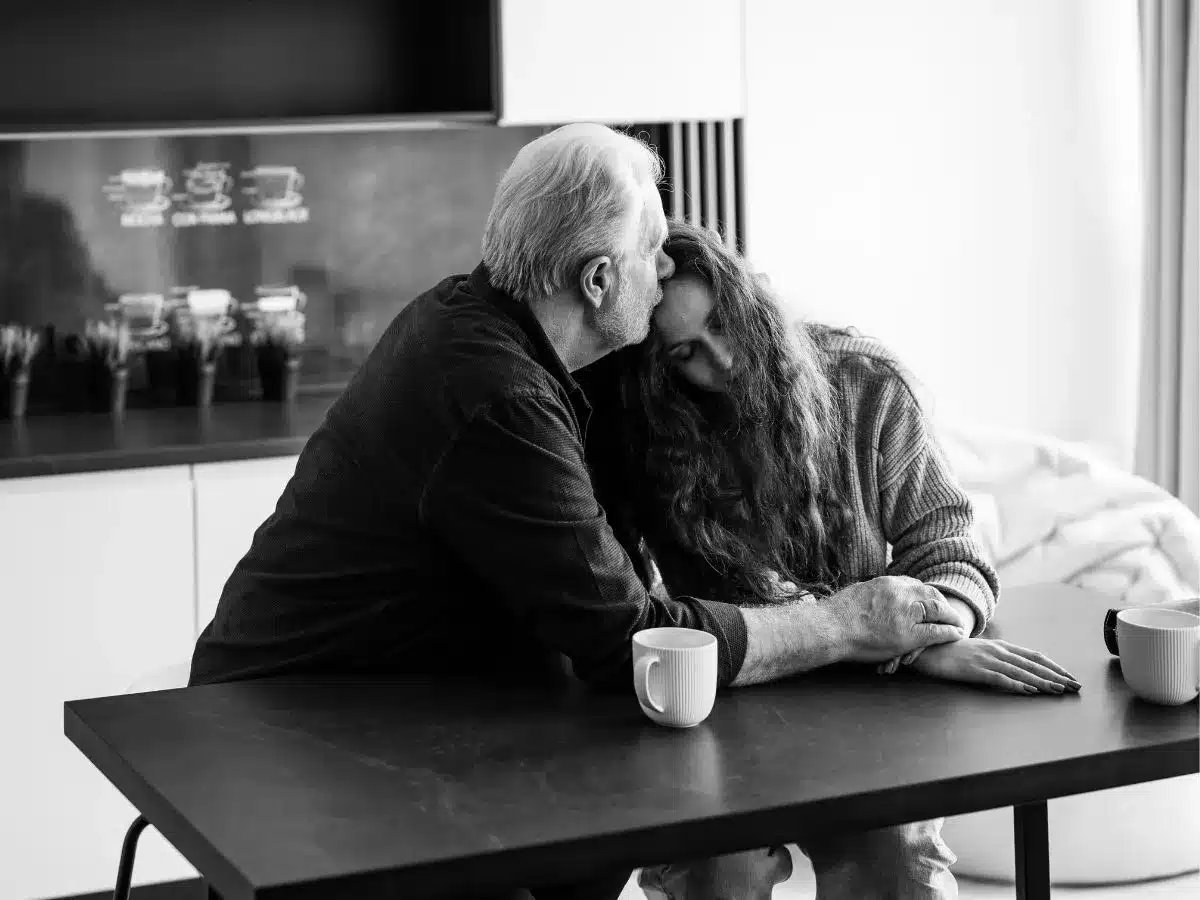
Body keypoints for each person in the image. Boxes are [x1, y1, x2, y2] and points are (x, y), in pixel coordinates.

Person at [188, 124, 972, 900]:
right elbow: (628, 643)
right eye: (654, 246)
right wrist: (844, 623)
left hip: (378, 704)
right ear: (598, 281)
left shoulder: (485, 324)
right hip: (296, 731)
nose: (667, 263)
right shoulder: (499, 398)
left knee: (592, 848)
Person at [577, 219, 1081, 899]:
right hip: (727, 709)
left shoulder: (864, 383)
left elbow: (949, 545)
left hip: (866, 712)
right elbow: (631, 610)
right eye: (686, 353)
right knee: (715, 876)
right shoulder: (647, 434)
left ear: (749, 294)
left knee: (896, 868)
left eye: (725, 321)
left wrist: (930, 638)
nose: (722, 360)